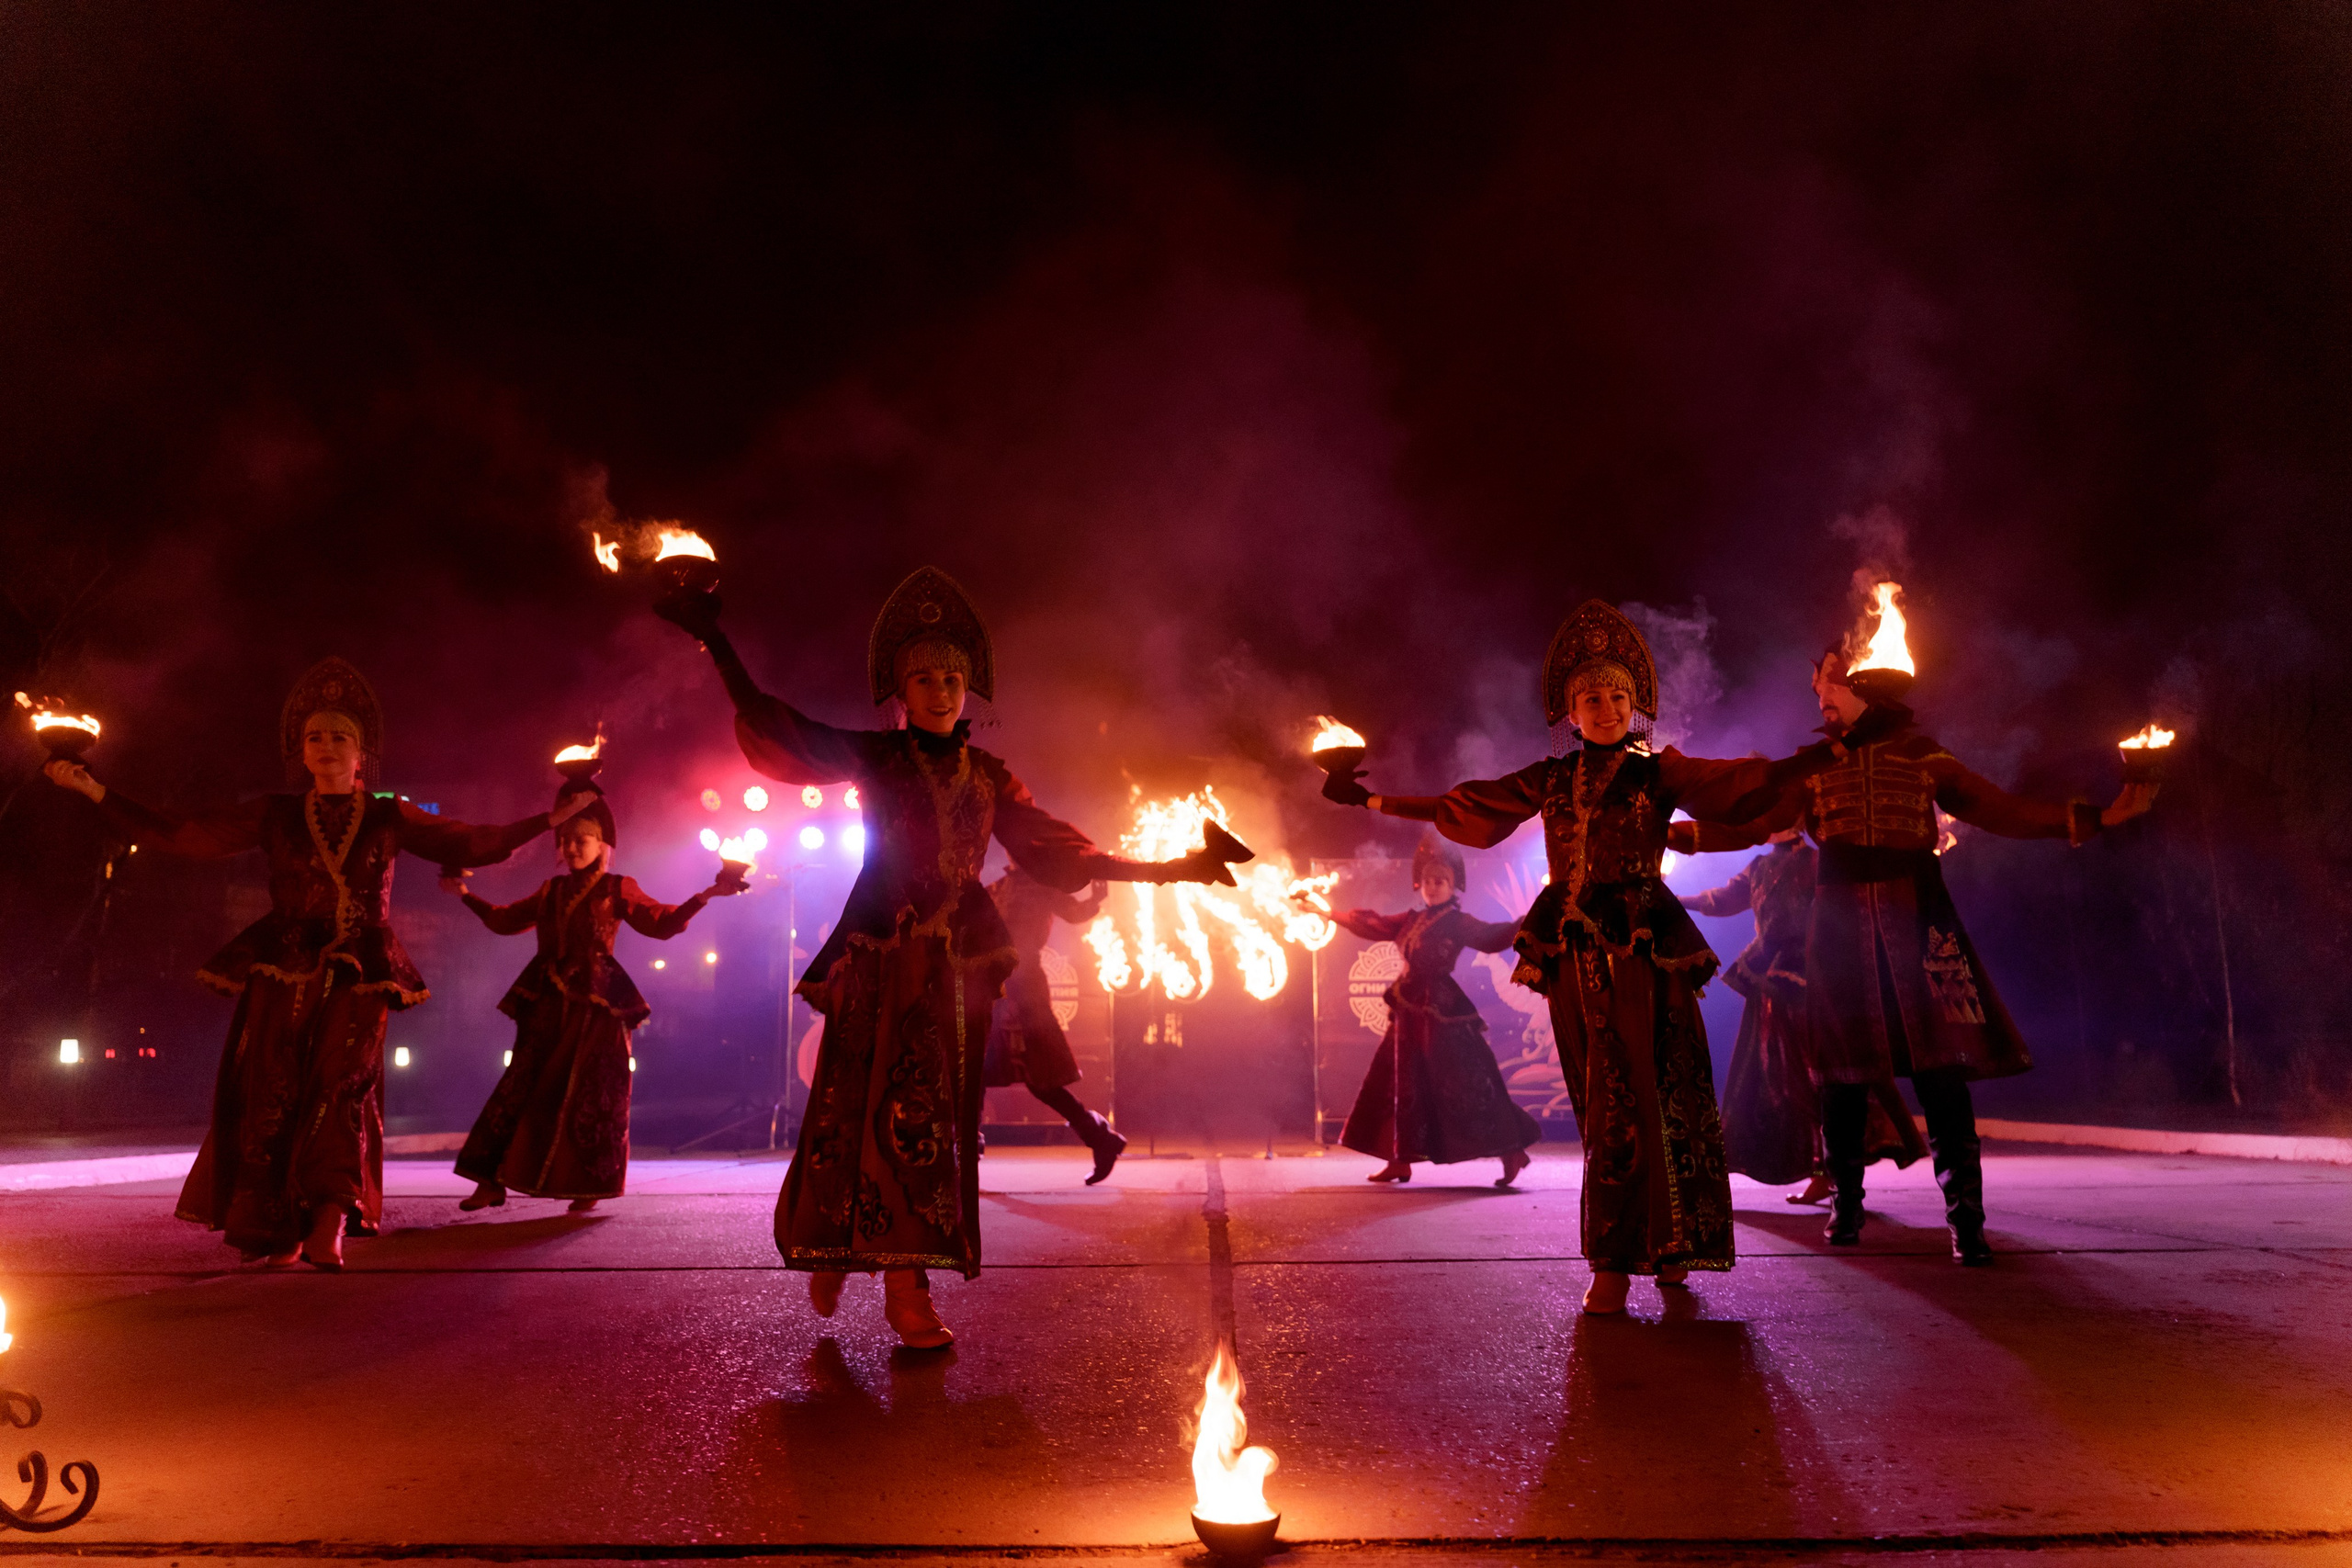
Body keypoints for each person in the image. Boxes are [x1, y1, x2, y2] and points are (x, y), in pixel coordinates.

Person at [654, 566, 1246, 1348]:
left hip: (955, 969)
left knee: (929, 1124)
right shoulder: (876, 757)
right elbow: (777, 727)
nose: (941, 690)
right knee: (850, 1113)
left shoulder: (993, 777)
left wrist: (1179, 868)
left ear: (970, 689)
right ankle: (837, 1244)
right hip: (877, 959)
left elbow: (1067, 851)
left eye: (954, 678)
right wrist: (713, 636)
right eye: (926, 678)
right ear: (900, 690)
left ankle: (908, 1285)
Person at [1324, 600, 1890, 1314]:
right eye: (1592, 697)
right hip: (1573, 950)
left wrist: (1834, 748)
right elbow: (1466, 805)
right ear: (1570, 708)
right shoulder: (1551, 777)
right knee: (1602, 1103)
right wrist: (1371, 801)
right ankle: (1612, 1260)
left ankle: (1670, 1251)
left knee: (1659, 1092)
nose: (1606, 707)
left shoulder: (1661, 769)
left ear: (1637, 703)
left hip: (1648, 945)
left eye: (1619, 696)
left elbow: (1742, 784)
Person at [42, 658, 579, 1269]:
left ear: (361, 754)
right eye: (315, 737)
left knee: (341, 1083)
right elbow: (185, 833)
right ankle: (278, 1226)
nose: (326, 746)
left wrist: (549, 820)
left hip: (361, 968)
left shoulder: (387, 813)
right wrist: (93, 789)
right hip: (284, 965)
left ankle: (331, 1215)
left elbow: (470, 840)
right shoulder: (274, 812)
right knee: (274, 1086)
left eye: (340, 737)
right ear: (301, 750)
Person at [1730, 648, 2156, 1264]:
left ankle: (1967, 1222)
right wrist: (1672, 825)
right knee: (1842, 1077)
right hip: (1841, 931)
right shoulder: (1814, 766)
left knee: (1943, 1072)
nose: (1820, 688)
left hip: (1921, 922)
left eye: (1833, 677)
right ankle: (1845, 1210)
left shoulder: (1925, 756)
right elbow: (1749, 817)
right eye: (1815, 680)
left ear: (1870, 689)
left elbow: (2000, 808)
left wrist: (2101, 814)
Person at [443, 789, 743, 1214]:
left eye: (579, 840)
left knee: (591, 1094)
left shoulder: (618, 887)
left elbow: (660, 923)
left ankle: (587, 1187)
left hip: (599, 1005)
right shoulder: (551, 890)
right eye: (564, 841)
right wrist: (464, 895)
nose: (569, 848)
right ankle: (490, 1181)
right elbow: (505, 920)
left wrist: (706, 895)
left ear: (602, 847)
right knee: (520, 1087)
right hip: (547, 999)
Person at [1676, 825, 1926, 1199]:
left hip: (1816, 982)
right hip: (1771, 984)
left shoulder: (1818, 860)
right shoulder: (1758, 866)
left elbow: (1847, 916)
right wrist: (1675, 901)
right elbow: (1722, 900)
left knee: (1822, 1076)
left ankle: (1835, 1173)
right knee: (1781, 1081)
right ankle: (1822, 1170)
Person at [1329, 834, 1540, 1187]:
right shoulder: (1412, 919)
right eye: (1427, 881)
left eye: (1439, 881)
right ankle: (1399, 1160)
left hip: (1444, 1014)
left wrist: (1532, 919)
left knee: (1469, 1086)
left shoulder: (1459, 921)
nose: (1432, 887)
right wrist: (1327, 911)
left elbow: (1495, 935)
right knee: (1399, 1083)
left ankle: (1512, 1151)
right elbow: (1374, 924)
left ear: (1453, 885)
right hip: (1408, 1012)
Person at [981, 867, 1127, 1183]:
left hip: (1024, 985)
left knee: (1039, 1077)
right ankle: (964, 1149)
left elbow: (1074, 912)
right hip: (995, 984)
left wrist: (1094, 899)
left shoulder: (1042, 884)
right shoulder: (997, 888)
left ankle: (1099, 1137)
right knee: (979, 1067)